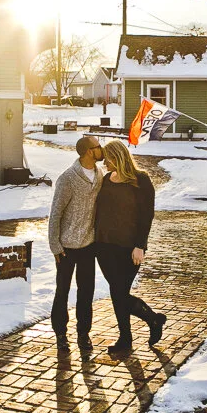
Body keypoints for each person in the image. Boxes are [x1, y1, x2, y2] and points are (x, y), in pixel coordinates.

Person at [94, 140, 166, 356]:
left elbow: (147, 216)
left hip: (128, 248)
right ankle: (137, 330)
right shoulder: (106, 179)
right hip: (103, 246)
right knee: (118, 292)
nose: (105, 163)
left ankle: (149, 322)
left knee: (119, 292)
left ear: (118, 157)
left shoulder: (140, 180)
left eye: (108, 159)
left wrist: (140, 245)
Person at [48, 135, 103, 352]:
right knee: (62, 291)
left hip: (88, 245)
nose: (102, 150)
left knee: (86, 291)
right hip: (66, 247)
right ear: (89, 151)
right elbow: (56, 213)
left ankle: (83, 333)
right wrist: (55, 246)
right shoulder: (67, 178)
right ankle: (61, 334)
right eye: (98, 147)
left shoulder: (100, 175)